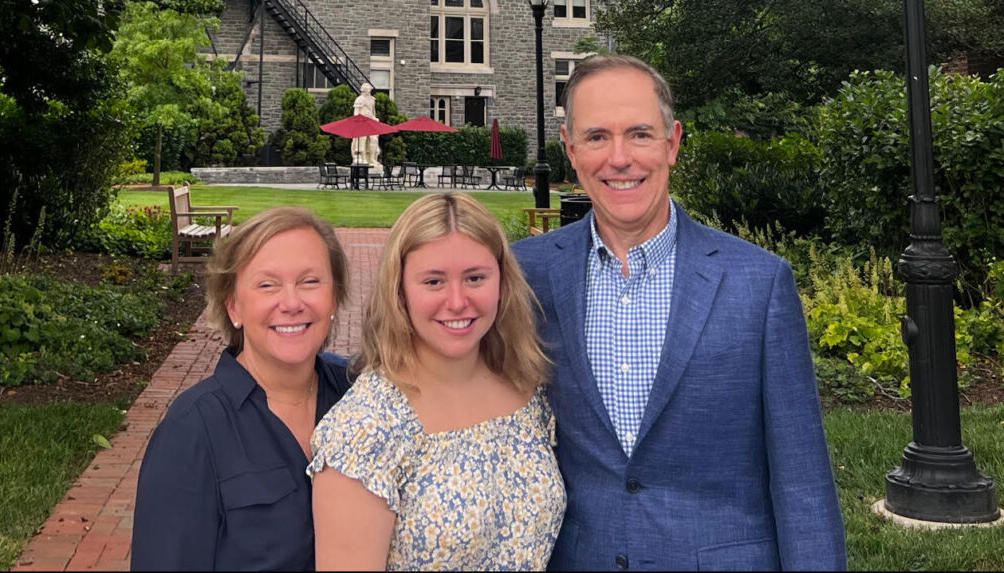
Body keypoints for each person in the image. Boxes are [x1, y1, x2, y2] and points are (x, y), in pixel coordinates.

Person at [512, 54, 847, 571]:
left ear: (672, 143)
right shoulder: (525, 274)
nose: (619, 158)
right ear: (569, 149)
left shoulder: (758, 282)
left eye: (640, 134)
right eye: (597, 136)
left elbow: (801, 478)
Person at [308, 192, 565, 570]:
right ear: (400, 291)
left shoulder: (527, 389)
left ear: (502, 282)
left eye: (475, 278)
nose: (458, 301)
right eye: (433, 281)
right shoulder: (365, 429)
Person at [132, 206, 352, 571]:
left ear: (334, 298)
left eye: (310, 281)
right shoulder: (192, 431)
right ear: (233, 305)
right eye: (267, 284)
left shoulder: (360, 397)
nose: (292, 303)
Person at [351, 82, 381, 168]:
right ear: (364, 90)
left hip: (371, 122)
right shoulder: (359, 99)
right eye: (368, 89)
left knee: (374, 139)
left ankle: (372, 158)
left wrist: (375, 119)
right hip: (362, 122)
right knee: (362, 140)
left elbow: (372, 111)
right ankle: (363, 157)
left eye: (370, 89)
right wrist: (357, 122)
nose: (369, 90)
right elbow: (356, 112)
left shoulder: (372, 99)